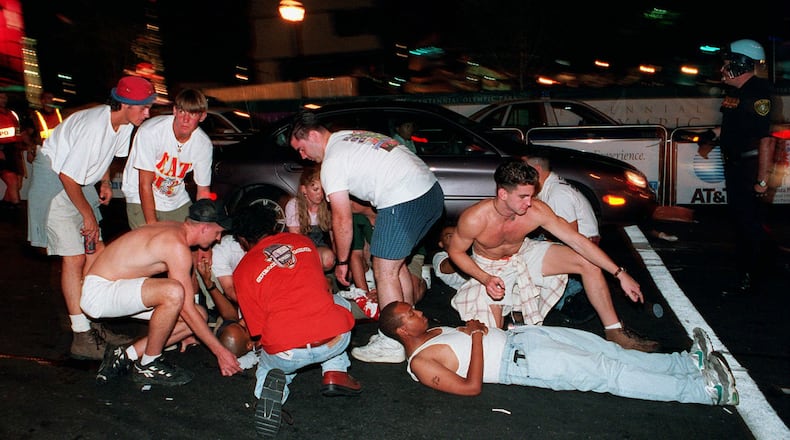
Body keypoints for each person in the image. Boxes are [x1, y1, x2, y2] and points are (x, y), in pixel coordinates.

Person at [448, 160, 659, 352]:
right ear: (503, 193)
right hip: (488, 266)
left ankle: (615, 332)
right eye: (523, 197)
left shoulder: (536, 210)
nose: (529, 203)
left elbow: (578, 241)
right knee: (495, 341)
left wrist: (619, 273)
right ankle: (508, 319)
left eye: (531, 195)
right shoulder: (475, 218)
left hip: (524, 253)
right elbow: (455, 252)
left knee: (586, 262)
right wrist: (485, 278)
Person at [290, 111, 444, 363]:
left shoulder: (332, 162)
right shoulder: (351, 136)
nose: (303, 156)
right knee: (397, 265)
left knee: (384, 270)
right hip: (431, 193)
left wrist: (342, 262)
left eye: (301, 148)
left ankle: (393, 342)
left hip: (404, 197)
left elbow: (341, 217)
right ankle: (410, 328)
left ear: (314, 135)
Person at [379, 301, 739, 406]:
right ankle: (703, 392)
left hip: (526, 339)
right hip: (523, 364)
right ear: (401, 330)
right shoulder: (421, 364)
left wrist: (478, 326)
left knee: (608, 351)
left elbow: (477, 334)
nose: (421, 312)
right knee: (607, 374)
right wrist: (474, 337)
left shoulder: (434, 330)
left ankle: (685, 364)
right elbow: (471, 387)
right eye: (412, 314)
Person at [26, 76, 156, 360]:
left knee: (96, 250)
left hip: (77, 181)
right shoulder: (93, 128)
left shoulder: (122, 123)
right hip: (57, 179)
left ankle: (93, 319)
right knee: (74, 256)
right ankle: (81, 336)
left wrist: (105, 182)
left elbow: (109, 156)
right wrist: (87, 215)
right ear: (124, 104)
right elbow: (67, 176)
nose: (147, 113)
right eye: (144, 108)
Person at [232, 203, 362, 439]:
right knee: (336, 303)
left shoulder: (242, 270)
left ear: (242, 239)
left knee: (270, 364)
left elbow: (257, 330)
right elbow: (322, 288)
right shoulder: (303, 243)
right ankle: (334, 371)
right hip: (335, 338)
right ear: (274, 225)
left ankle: (269, 393)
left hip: (289, 351)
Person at [81, 199, 243, 386]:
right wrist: (220, 352)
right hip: (100, 293)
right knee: (174, 293)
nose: (218, 239)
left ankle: (126, 354)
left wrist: (191, 329)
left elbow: (189, 308)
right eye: (218, 232)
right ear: (204, 228)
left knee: (199, 314)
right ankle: (149, 364)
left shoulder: (176, 230)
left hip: (115, 287)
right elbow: (182, 303)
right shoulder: (176, 245)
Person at [697, 39, 777, 296]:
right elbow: (733, 128)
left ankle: (752, 278)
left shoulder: (758, 94)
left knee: (749, 224)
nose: (722, 70)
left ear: (741, 65)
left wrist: (762, 180)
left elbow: (765, 139)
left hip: (750, 167)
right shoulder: (737, 94)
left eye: (727, 64)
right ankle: (752, 269)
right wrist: (710, 135)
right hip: (735, 166)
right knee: (742, 222)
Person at [122, 88, 213, 229]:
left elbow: (203, 191)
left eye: (193, 113)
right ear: (175, 111)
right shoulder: (151, 132)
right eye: (182, 111)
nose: (185, 119)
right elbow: (144, 184)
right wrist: (152, 226)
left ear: (202, 116)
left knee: (190, 239)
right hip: (140, 195)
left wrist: (203, 227)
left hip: (175, 198)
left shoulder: (203, 144)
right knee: (152, 245)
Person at [284, 165, 336, 271]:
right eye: (315, 189)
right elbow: (296, 239)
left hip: (319, 245)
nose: (320, 194)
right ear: (304, 190)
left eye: (322, 189)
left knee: (329, 259)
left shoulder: (328, 204)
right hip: (299, 246)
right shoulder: (294, 205)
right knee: (309, 260)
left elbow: (334, 236)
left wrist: (340, 260)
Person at [0, 91, 24, 207]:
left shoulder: (12, 114)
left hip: (14, 150)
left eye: (5, 97)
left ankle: (5, 207)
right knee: (12, 181)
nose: (4, 100)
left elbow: (18, 131)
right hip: (2, 151)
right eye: (1, 97)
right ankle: (16, 208)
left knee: (17, 183)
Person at [431, 223, 470, 292]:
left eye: (457, 235)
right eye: (449, 236)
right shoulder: (439, 256)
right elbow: (447, 267)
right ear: (441, 244)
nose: (455, 238)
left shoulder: (470, 252)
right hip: (463, 293)